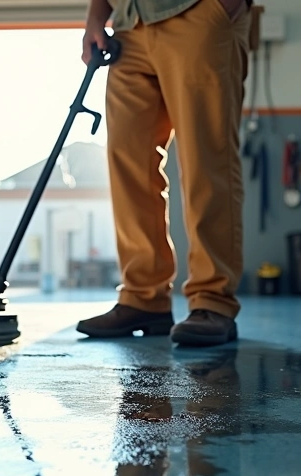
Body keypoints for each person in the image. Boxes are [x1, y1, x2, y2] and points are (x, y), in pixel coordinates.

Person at [75, 0, 252, 346]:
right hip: (130, 24)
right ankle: (144, 297)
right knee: (129, 161)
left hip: (197, 12)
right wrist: (96, 16)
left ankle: (212, 299)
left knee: (206, 158)